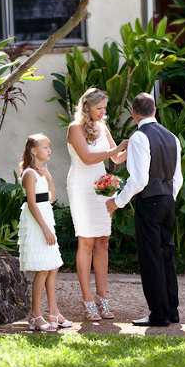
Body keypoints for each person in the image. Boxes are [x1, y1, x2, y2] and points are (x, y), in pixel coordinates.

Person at [106, 92, 183, 327]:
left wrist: (117, 202)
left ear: (133, 113)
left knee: (151, 259)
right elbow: (177, 177)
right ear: (155, 110)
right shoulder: (172, 137)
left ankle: (159, 315)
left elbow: (139, 180)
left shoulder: (140, 137)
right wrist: (169, 198)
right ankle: (171, 311)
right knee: (166, 255)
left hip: (149, 202)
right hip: (168, 201)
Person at [66, 87, 128, 321]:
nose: (103, 112)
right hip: (81, 187)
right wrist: (117, 148)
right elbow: (88, 157)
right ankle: (87, 299)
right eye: (99, 108)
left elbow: (116, 158)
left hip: (101, 186)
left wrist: (135, 148)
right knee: (87, 241)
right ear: (86, 107)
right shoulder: (74, 129)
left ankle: (103, 297)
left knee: (103, 240)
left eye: (104, 108)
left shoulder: (103, 127)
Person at [17, 134, 72, 332]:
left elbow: (51, 198)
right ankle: (35, 315)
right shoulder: (30, 174)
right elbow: (32, 204)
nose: (49, 150)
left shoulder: (41, 173)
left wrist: (49, 178)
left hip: (46, 218)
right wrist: (46, 229)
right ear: (33, 151)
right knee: (43, 268)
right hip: (37, 222)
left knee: (53, 266)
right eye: (45, 147)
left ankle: (54, 312)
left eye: (49, 147)